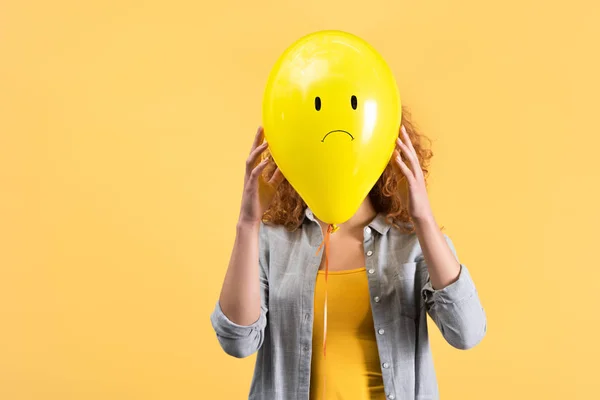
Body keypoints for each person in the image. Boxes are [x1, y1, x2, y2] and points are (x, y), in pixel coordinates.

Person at [210, 109, 487, 400]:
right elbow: (237, 342)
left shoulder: (414, 242)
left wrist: (423, 220)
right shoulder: (272, 241)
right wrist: (248, 222)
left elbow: (466, 333)